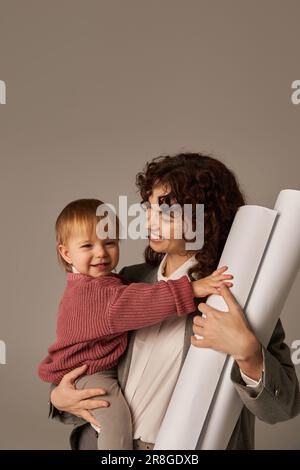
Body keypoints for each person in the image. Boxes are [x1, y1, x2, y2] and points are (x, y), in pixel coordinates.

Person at [49, 153, 300, 450]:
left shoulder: (235, 297)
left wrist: (248, 352)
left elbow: (285, 405)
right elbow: (84, 352)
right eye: (150, 208)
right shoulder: (129, 281)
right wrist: (59, 397)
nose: (150, 221)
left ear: (203, 219)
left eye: (168, 213)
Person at [39, 197, 233, 449]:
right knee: (113, 416)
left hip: (105, 375)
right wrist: (193, 288)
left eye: (109, 242)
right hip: (90, 372)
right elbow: (145, 302)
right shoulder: (103, 292)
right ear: (66, 253)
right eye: (87, 245)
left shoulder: (112, 282)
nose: (101, 253)